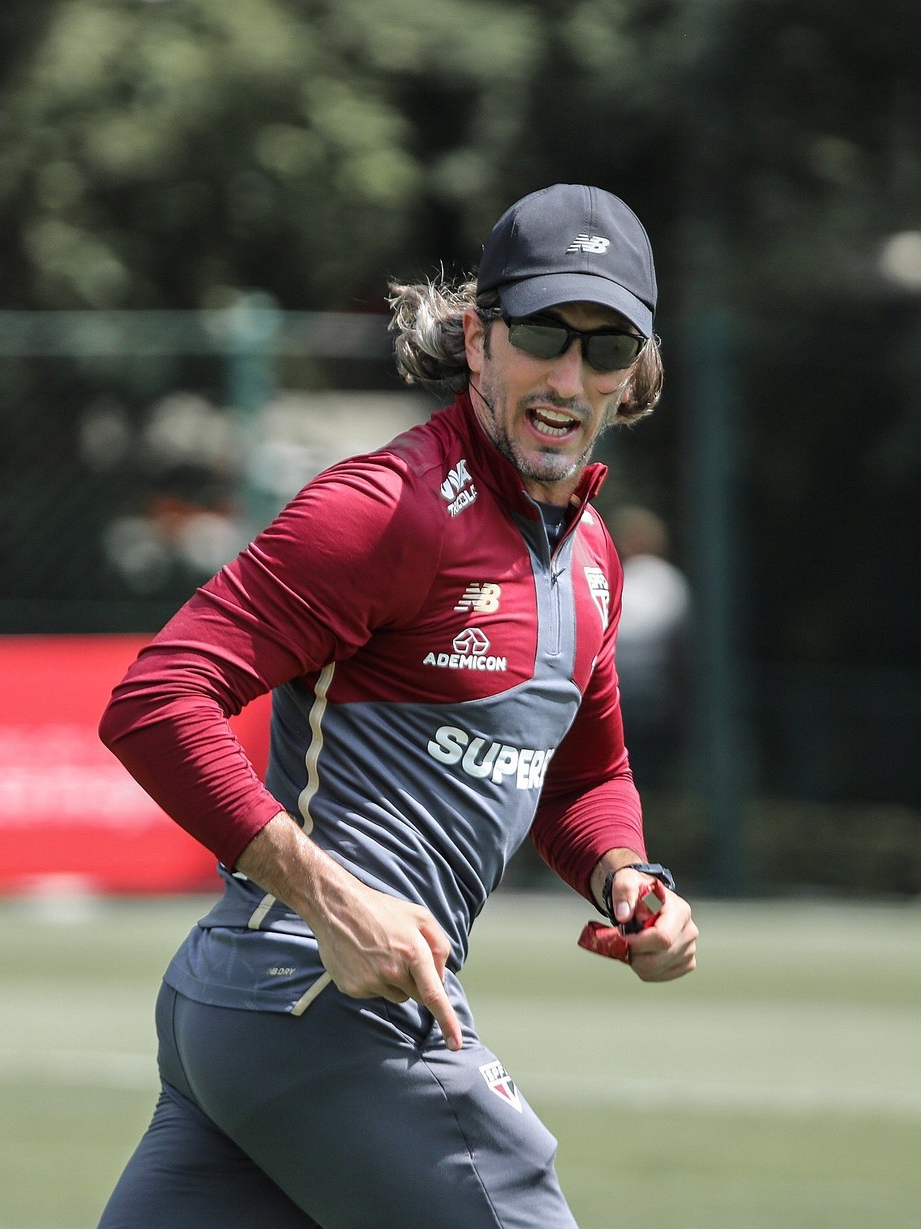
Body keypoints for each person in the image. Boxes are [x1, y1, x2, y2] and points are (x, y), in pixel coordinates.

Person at [97, 182, 699, 1229]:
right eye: (544, 333)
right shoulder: (386, 509)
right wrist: (333, 898)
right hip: (325, 1000)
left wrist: (628, 876)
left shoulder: (592, 555)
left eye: (605, 349)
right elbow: (158, 697)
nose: (569, 376)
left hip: (249, 1020)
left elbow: (584, 773)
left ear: (635, 376)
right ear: (477, 338)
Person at [611, 505, 691, 789]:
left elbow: (637, 633)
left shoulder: (660, 578)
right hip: (630, 695)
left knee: (638, 775)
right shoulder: (627, 574)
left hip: (645, 696)